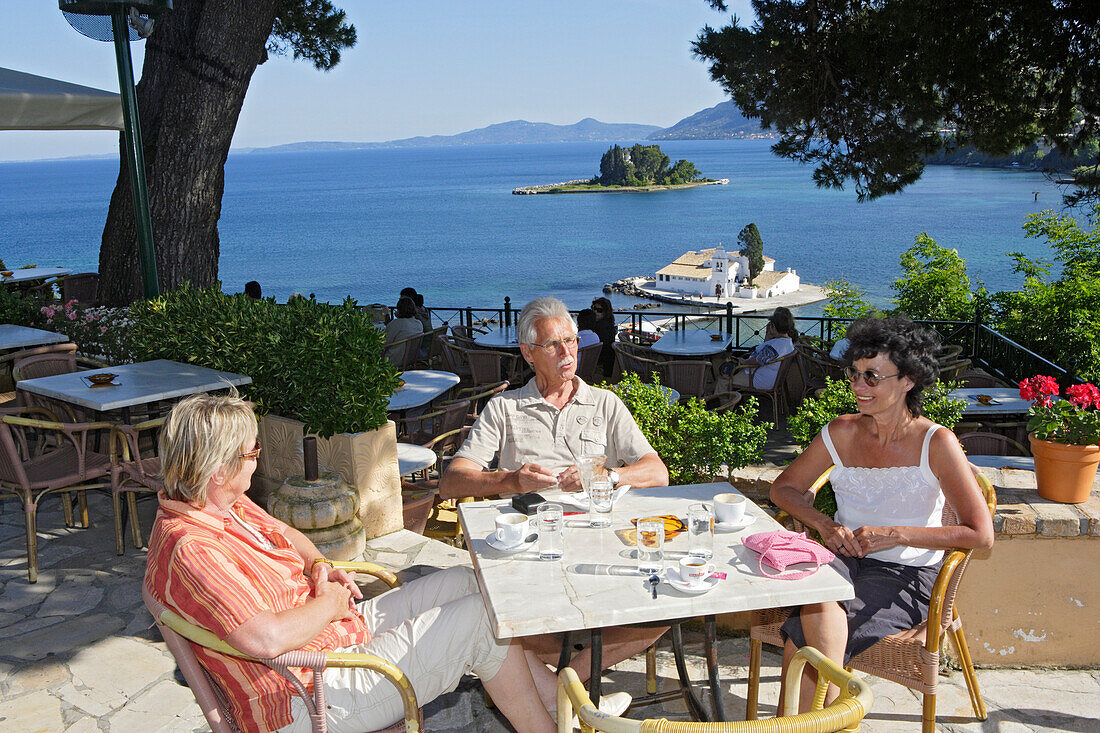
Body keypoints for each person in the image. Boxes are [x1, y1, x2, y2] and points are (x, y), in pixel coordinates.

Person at [143, 392, 567, 733]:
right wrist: (328, 603)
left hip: (329, 638)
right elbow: (265, 640)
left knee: (467, 582)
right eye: (251, 450)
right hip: (304, 695)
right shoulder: (193, 548)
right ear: (219, 469)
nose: (257, 457)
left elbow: (289, 535)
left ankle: (556, 703)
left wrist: (318, 568)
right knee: (477, 621)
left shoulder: (220, 502)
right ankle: (551, 723)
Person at [767, 316, 994, 712]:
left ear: (908, 379)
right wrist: (825, 524)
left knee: (805, 635)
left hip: (906, 574)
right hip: (842, 559)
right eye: (854, 375)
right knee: (821, 602)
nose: (857, 386)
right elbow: (782, 488)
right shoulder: (841, 431)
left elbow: (980, 533)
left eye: (872, 377)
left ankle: (809, 721)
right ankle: (819, 722)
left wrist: (897, 533)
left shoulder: (936, 442)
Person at [440, 296, 669, 680]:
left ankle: (570, 680)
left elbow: (656, 472)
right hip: (531, 552)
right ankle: (570, 689)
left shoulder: (606, 404)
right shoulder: (505, 409)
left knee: (667, 602)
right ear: (528, 353)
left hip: (599, 541)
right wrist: (511, 480)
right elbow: (451, 482)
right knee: (503, 619)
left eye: (572, 341)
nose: (567, 352)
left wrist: (606, 476)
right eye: (553, 344)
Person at [730, 306, 798, 390]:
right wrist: (769, 335)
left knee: (724, 380)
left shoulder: (775, 347)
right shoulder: (787, 342)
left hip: (758, 378)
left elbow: (756, 361)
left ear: (773, 326)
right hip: (767, 377)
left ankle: (725, 402)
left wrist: (743, 361)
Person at [384, 296, 423, 364]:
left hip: (394, 359)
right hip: (410, 359)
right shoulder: (418, 323)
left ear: (399, 309)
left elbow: (385, 342)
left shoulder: (396, 324)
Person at [590, 296, 617, 377]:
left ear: (605, 312)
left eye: (599, 310)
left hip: (601, 363)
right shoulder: (609, 325)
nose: (595, 312)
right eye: (594, 308)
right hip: (605, 361)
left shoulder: (600, 328)